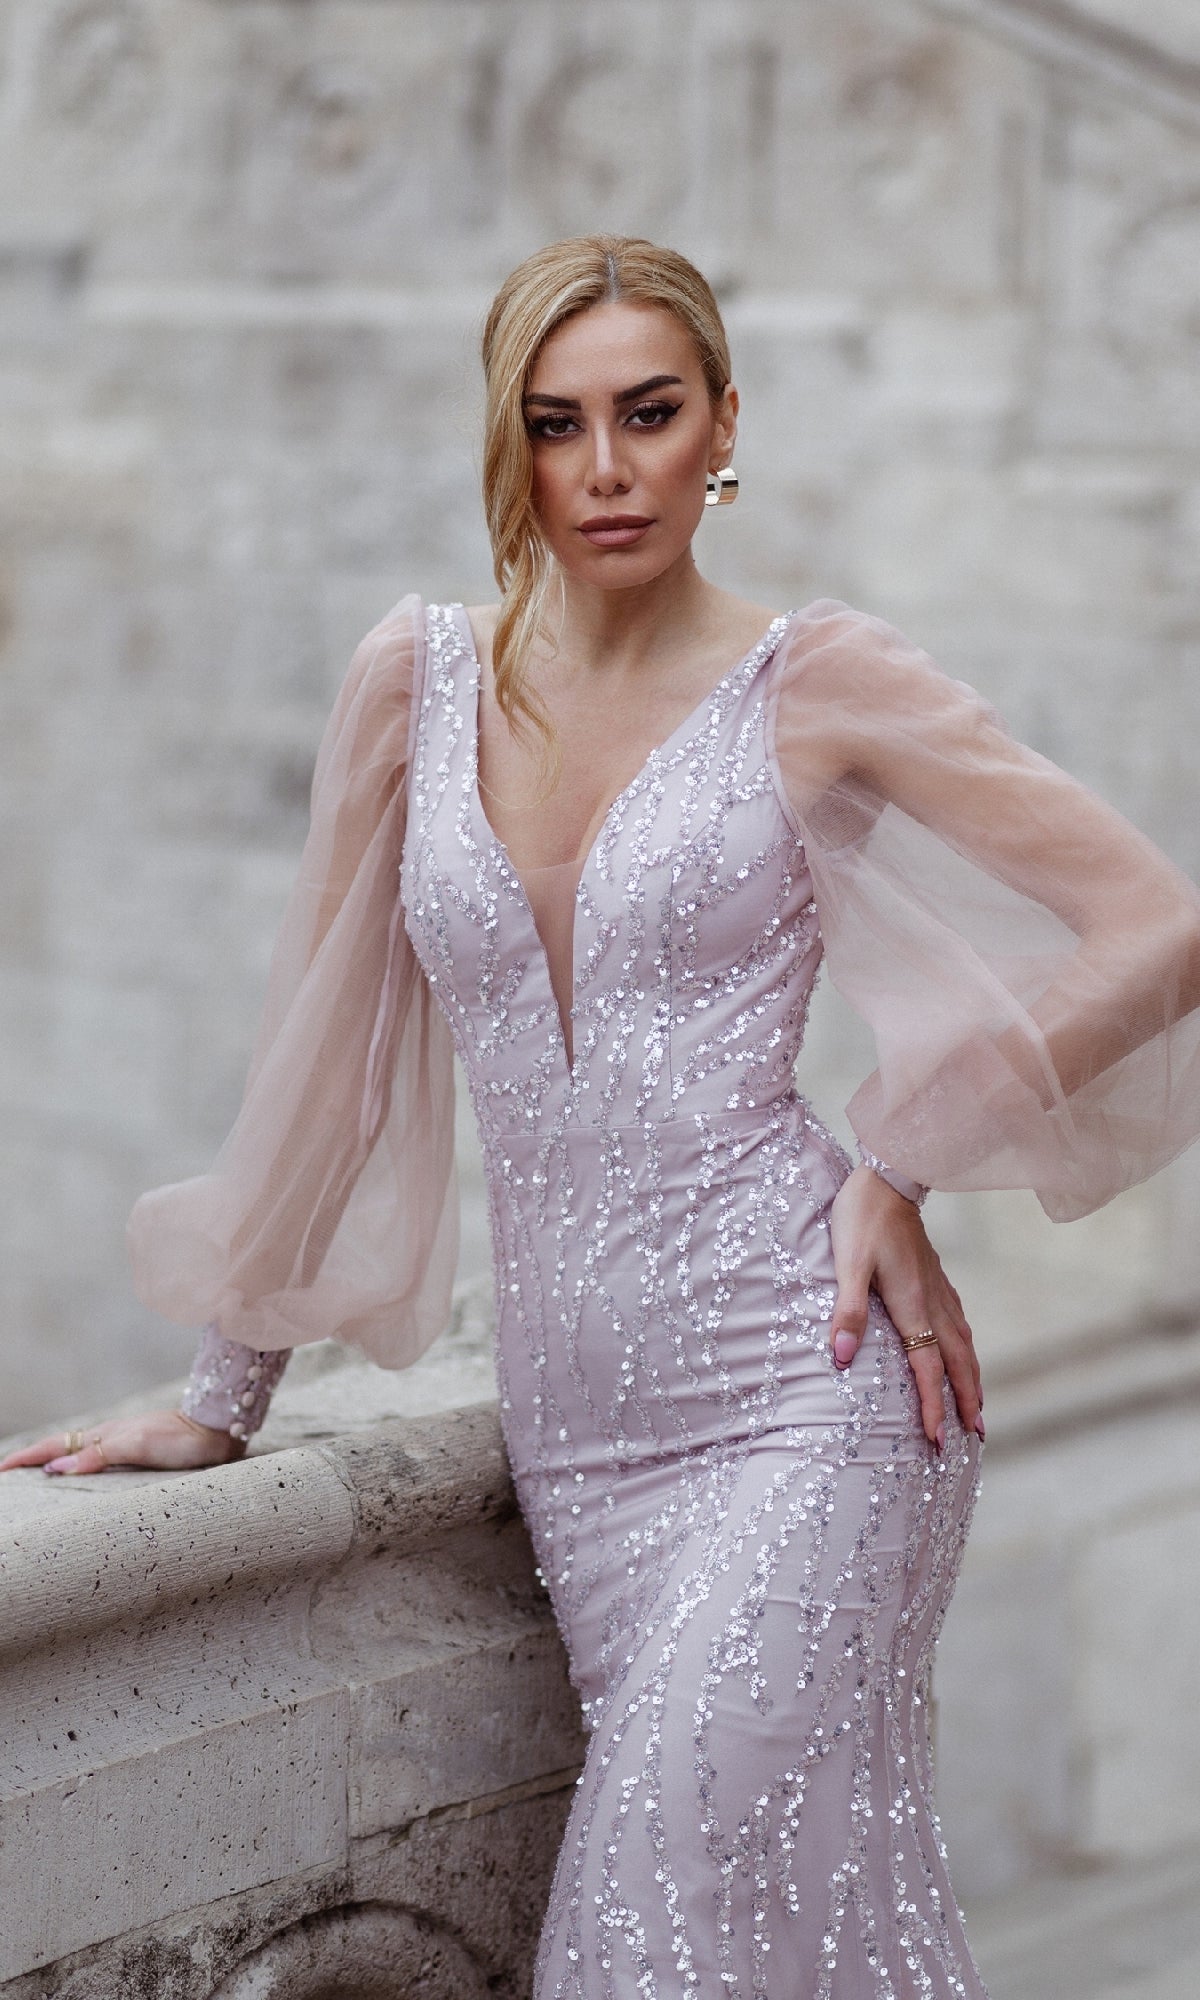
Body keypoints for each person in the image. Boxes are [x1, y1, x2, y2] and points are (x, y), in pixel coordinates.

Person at [6, 234, 1200, 1998]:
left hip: (814, 1391)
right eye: (558, 425)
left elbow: (1159, 925)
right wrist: (219, 1396)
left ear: (723, 423)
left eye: (650, 415)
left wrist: (899, 1155)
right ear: (512, 444)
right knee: (785, 1944)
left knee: (639, 1931)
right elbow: (326, 1063)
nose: (608, 468)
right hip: (587, 1452)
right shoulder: (414, 684)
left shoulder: (817, 678)